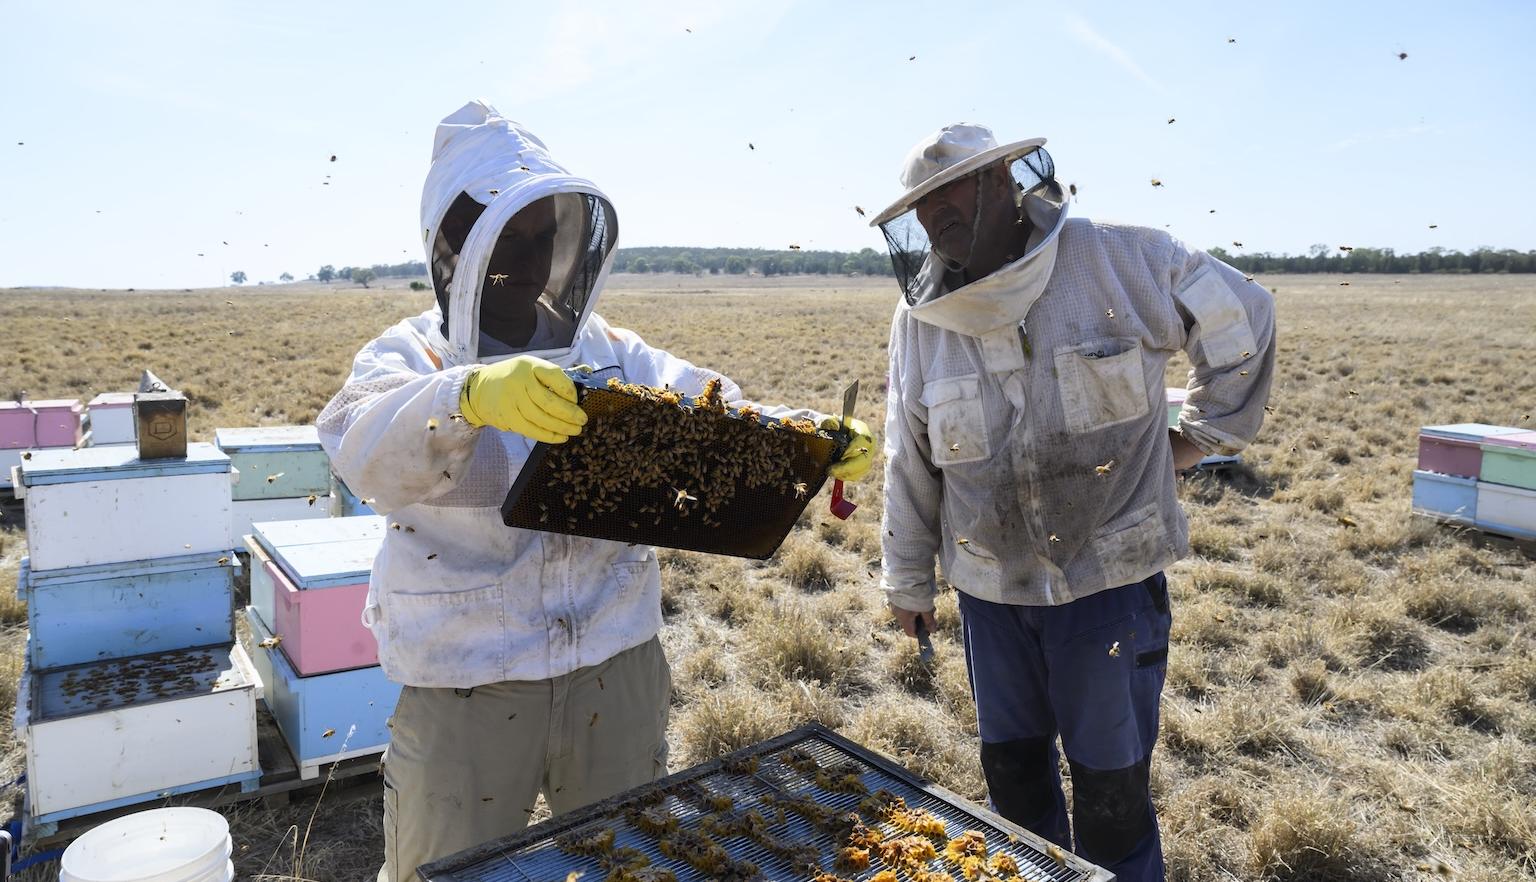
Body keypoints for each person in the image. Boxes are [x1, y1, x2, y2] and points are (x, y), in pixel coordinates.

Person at [316, 99, 875, 881]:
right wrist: (466, 398)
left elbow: (713, 407)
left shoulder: (610, 350)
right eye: (509, 238)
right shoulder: (408, 355)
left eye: (545, 238)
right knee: (440, 872)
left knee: (632, 864)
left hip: (615, 658)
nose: (532, 260)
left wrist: (809, 436)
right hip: (466, 679)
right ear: (456, 246)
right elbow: (358, 444)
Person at [871, 123, 1275, 882]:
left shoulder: (1125, 260)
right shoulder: (919, 318)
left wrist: (1197, 441)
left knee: (1112, 794)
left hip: (1108, 589)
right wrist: (908, 580)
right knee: (1015, 785)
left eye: (947, 192)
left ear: (1002, 181)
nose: (931, 216)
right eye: (918, 206)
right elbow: (910, 454)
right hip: (991, 593)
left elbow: (1241, 320)